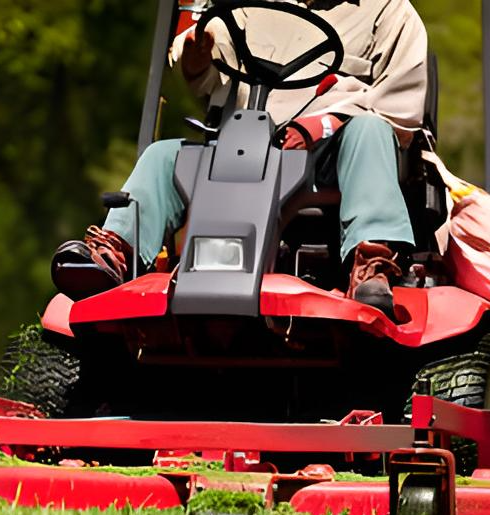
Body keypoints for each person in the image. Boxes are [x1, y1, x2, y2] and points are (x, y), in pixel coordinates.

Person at [51, 0, 428, 318]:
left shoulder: (390, 11)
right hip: (250, 139)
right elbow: (210, 63)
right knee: (165, 155)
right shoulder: (253, 4)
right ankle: (115, 253)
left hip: (335, 150)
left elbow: (400, 109)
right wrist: (198, 57)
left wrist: (323, 124)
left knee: (371, 131)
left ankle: (372, 266)